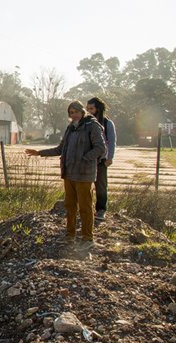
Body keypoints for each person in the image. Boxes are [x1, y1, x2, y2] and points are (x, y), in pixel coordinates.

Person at [25, 100, 106, 252]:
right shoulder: (70, 128)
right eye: (70, 113)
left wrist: (84, 158)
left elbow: (100, 148)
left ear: (82, 112)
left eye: (75, 112)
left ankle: (87, 237)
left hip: (84, 174)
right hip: (69, 173)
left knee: (85, 207)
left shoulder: (92, 126)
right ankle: (70, 235)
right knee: (70, 206)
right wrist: (39, 152)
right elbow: (60, 149)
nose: (73, 115)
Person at [86, 97, 117, 223]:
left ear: (98, 109)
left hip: (101, 160)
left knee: (101, 185)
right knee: (84, 185)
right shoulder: (85, 123)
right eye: (87, 109)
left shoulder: (107, 123)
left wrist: (110, 157)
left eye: (91, 109)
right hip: (87, 159)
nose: (89, 111)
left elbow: (112, 142)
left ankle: (101, 210)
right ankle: (85, 208)